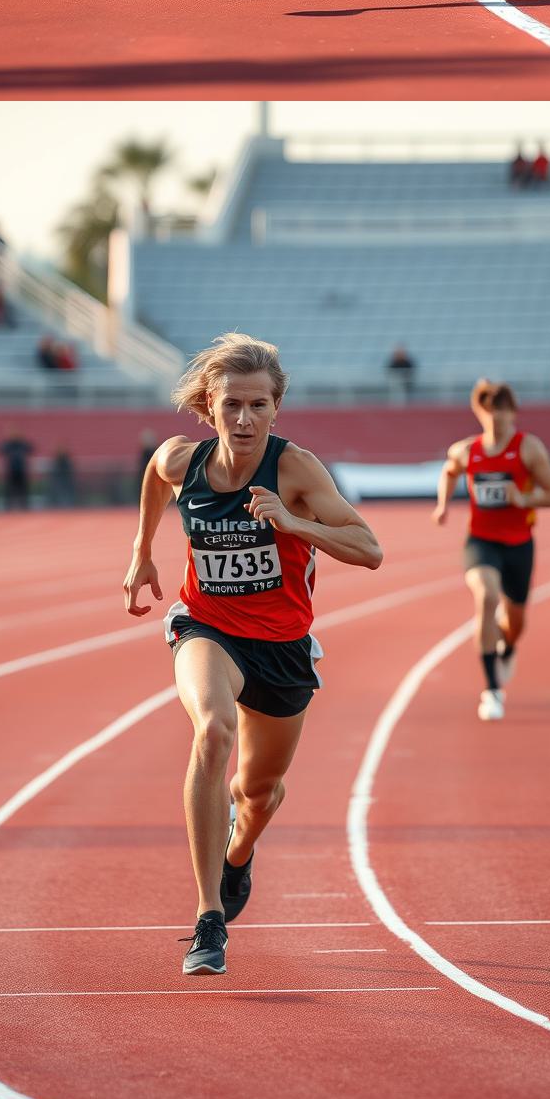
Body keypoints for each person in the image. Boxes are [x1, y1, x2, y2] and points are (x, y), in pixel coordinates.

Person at [124, 331, 383, 977]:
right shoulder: (184, 461)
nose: (243, 419)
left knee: (259, 791)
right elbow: (157, 478)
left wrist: (297, 525)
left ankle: (240, 851)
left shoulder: (295, 470)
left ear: (276, 408)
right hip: (206, 626)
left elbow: (369, 547)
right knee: (212, 731)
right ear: (209, 406)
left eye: (258, 406)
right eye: (231, 404)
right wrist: (141, 553)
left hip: (283, 648)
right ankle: (209, 919)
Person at [434, 380, 550, 720]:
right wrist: (443, 505)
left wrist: (524, 499)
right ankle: (492, 690)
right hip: (481, 541)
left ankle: (507, 646)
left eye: (503, 415)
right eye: (490, 415)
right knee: (487, 597)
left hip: (520, 544)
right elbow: (448, 473)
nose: (497, 422)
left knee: (516, 622)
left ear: (513, 414)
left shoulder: (528, 449)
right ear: (481, 414)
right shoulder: (466, 451)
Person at [0, 430, 33, 511]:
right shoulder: (9, 444)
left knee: (23, 490)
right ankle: (8, 507)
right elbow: (1, 449)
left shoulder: (22, 444)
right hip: (12, 471)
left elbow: (31, 448)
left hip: (21, 470)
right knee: (9, 490)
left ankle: (24, 506)